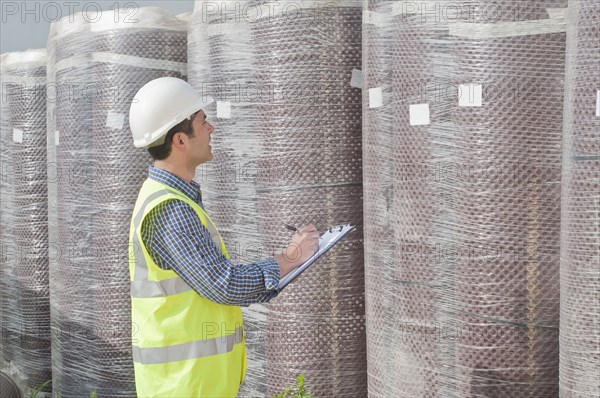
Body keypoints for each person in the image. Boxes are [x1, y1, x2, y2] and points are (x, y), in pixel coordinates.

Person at [127, 77, 319, 397]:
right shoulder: (169, 209)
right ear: (180, 140)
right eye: (203, 122)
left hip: (195, 384)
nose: (211, 129)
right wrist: (291, 257)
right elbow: (223, 284)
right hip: (185, 387)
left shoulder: (174, 199)